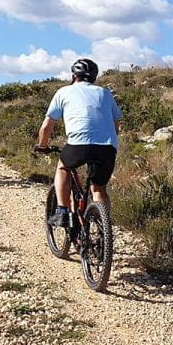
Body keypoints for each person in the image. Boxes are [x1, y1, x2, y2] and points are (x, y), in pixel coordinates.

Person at [35, 59, 122, 227]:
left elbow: (46, 127)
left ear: (74, 75)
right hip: (107, 147)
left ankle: (62, 212)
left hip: (78, 144)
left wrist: (42, 145)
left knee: (63, 167)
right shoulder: (105, 93)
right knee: (99, 189)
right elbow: (116, 122)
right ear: (94, 77)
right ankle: (103, 228)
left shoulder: (63, 92)